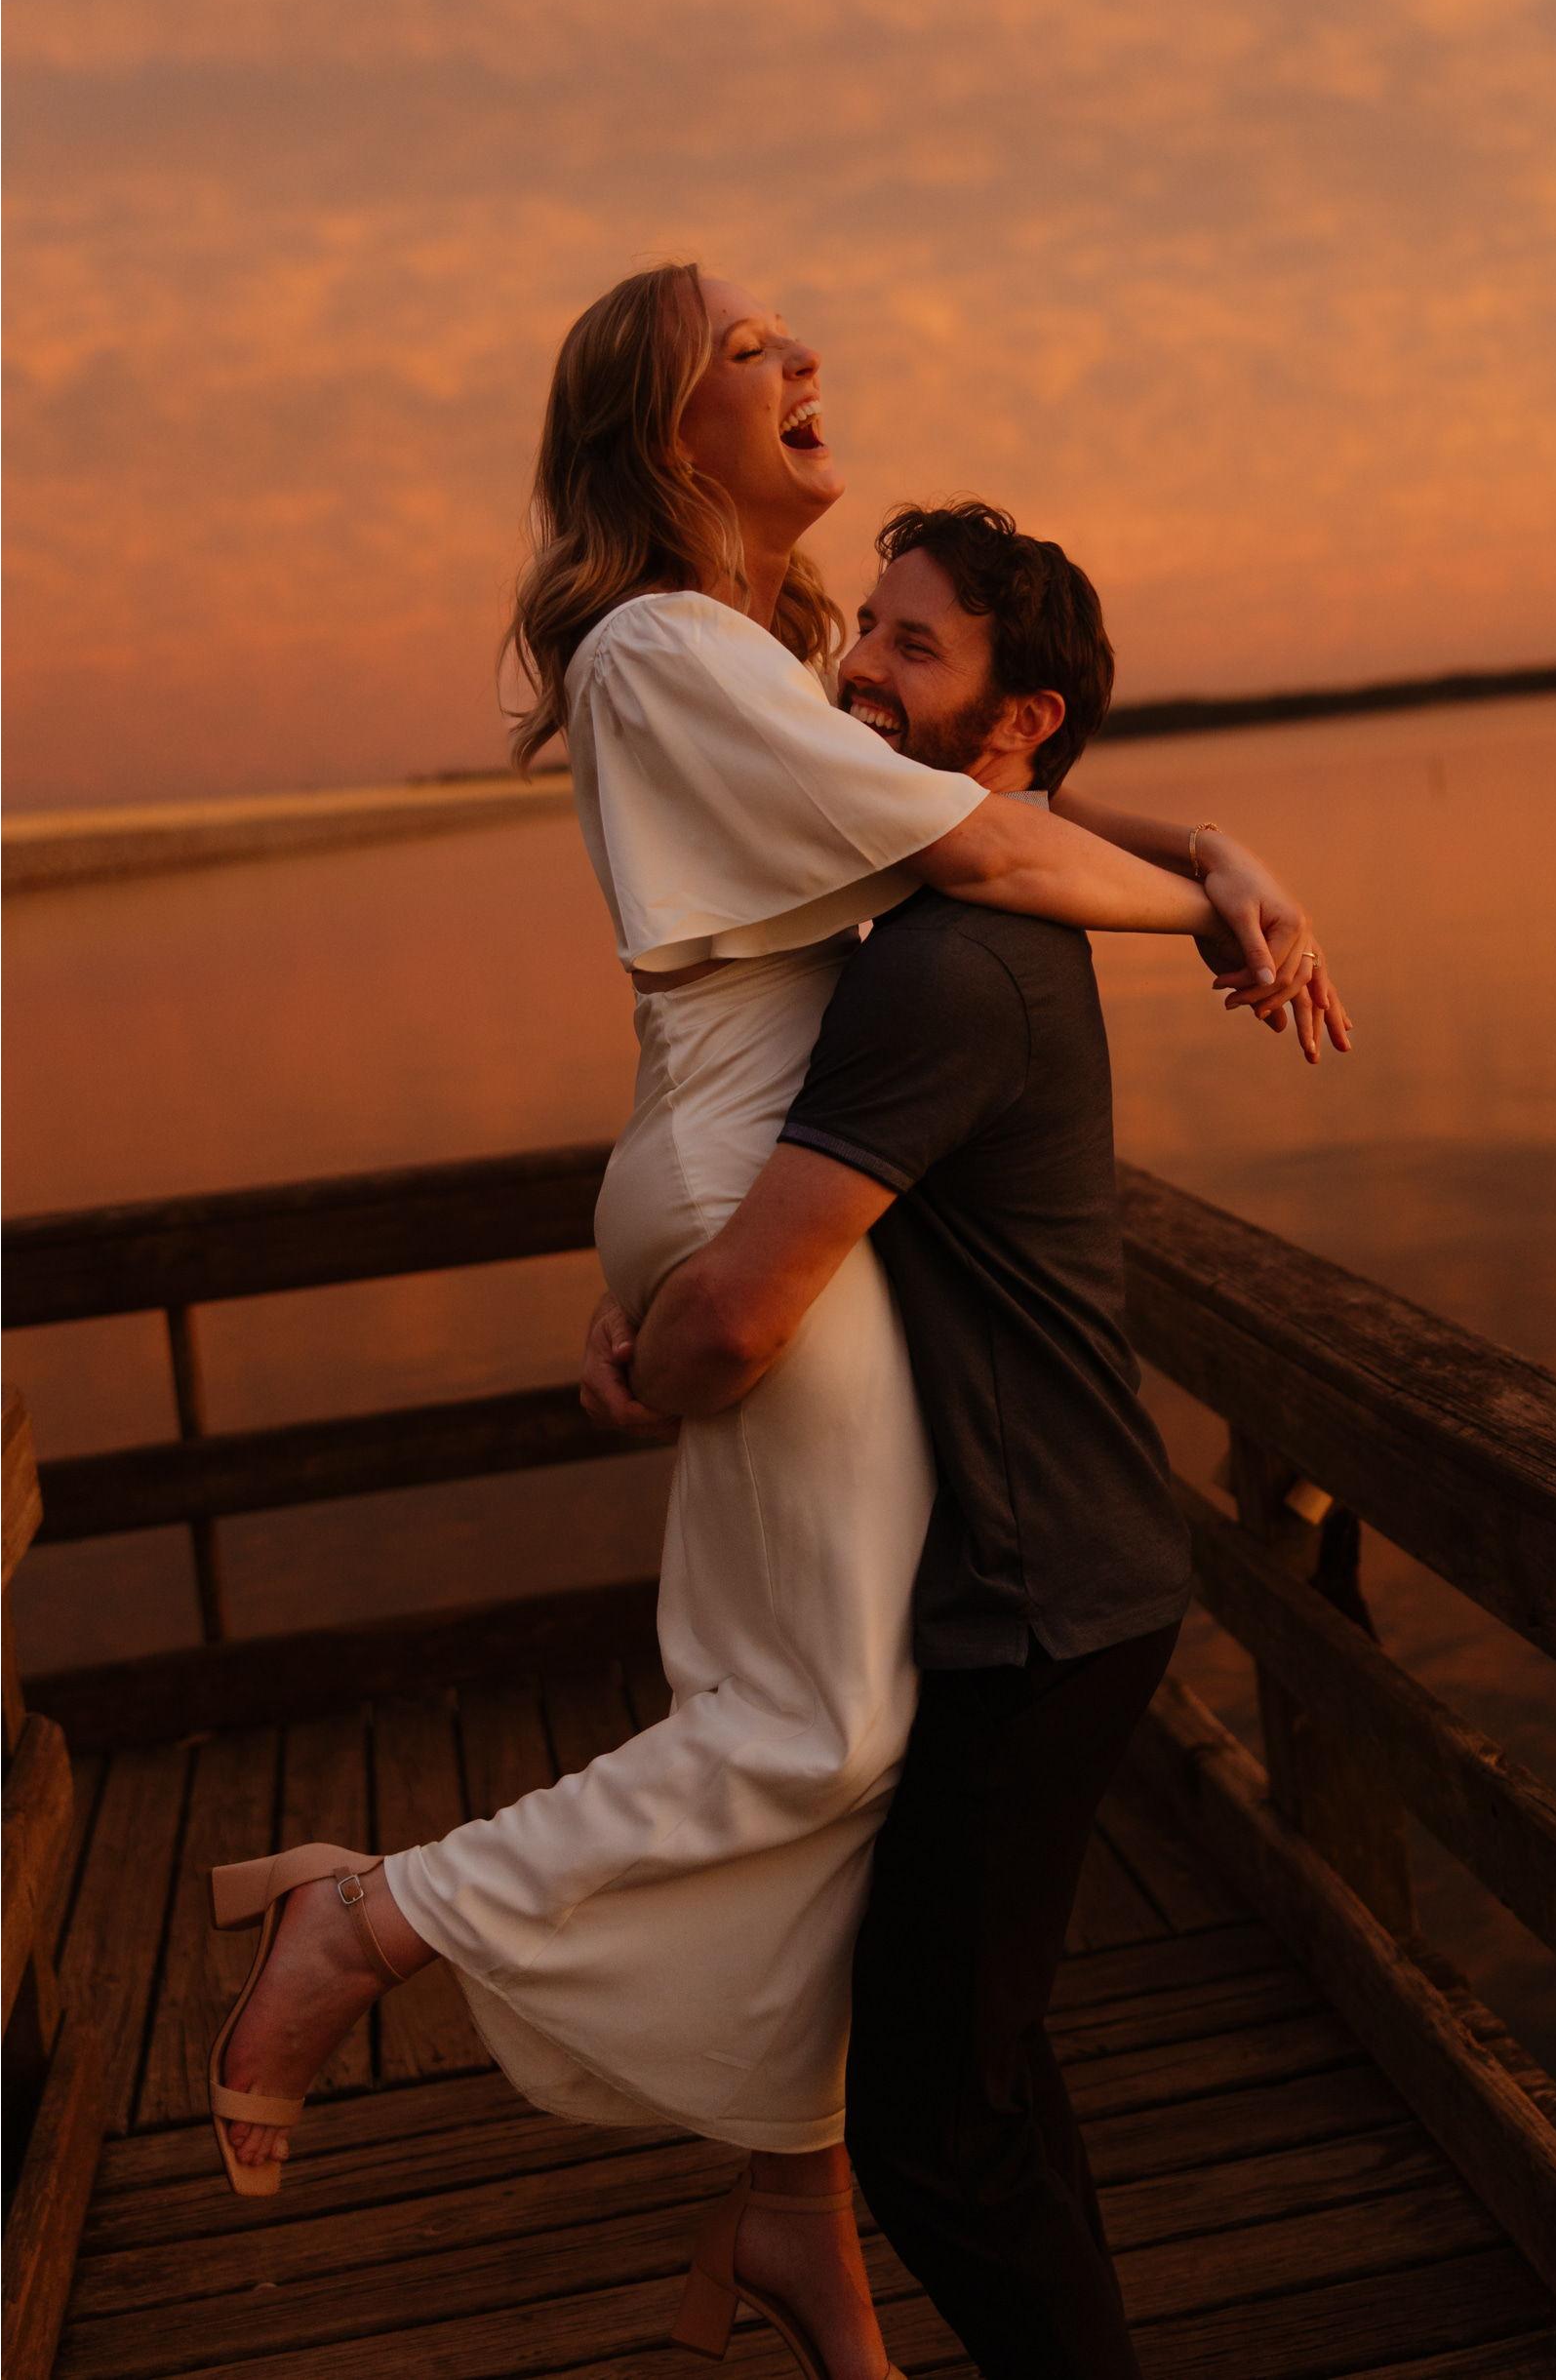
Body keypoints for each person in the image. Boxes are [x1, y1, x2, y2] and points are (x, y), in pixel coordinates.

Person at [198, 264, 1346, 2380]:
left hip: (722, 1154)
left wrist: (1213, 840)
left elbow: (993, 803)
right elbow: (988, 844)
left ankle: (792, 2199)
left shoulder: (738, 664)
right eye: (743, 350)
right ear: (660, 436)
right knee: (823, 1725)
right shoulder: (666, 643)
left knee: (810, 1709)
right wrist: (1216, 903)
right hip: (752, 1171)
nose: (800, 358)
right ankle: (370, 1918)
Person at [583, 498, 1271, 2376]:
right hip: (1045, 1577)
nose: (855, 671)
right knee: (984, 2063)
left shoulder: (943, 966)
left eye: (911, 645)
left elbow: (747, 1313)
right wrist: (1214, 856)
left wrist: (654, 1358)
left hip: (1041, 1601)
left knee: (933, 2124)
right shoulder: (934, 914)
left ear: (1018, 719)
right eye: (861, 629)